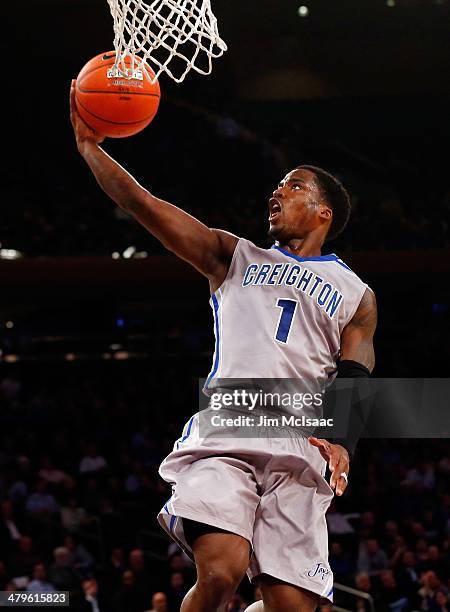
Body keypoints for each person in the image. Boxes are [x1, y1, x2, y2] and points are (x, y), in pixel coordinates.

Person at [70, 81, 377, 612]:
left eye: (294, 185)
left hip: (300, 449)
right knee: (221, 571)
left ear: (324, 211)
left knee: (291, 607)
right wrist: (92, 149)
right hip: (228, 433)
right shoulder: (232, 257)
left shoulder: (358, 294)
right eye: (277, 186)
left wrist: (342, 439)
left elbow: (354, 369)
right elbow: (144, 206)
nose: (276, 193)